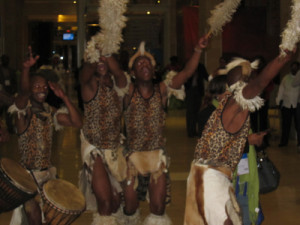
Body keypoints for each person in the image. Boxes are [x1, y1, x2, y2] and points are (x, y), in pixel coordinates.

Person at [184, 48, 295, 225]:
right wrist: (282, 59)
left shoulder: (232, 104)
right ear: (244, 84)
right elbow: (261, 82)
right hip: (210, 178)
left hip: (211, 176)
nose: (255, 81)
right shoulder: (233, 103)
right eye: (250, 78)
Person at [122, 35, 209, 225]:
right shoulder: (128, 91)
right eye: (139, 64)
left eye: (148, 63)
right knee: (129, 208)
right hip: (132, 158)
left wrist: (198, 50)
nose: (144, 65)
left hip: (156, 157)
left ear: (154, 71)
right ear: (133, 72)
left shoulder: (162, 89)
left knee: (158, 208)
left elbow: (186, 73)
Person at [8, 46, 83, 225]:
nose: (41, 89)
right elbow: (24, 93)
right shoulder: (22, 114)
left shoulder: (51, 112)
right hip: (28, 179)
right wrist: (26, 68)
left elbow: (77, 122)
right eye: (36, 86)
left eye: (44, 87)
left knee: (48, 219)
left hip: (47, 177)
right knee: (34, 217)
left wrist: (64, 97)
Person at [198, 75, 265, 225]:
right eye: (233, 91)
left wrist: (255, 140)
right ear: (219, 94)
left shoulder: (238, 111)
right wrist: (248, 141)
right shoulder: (208, 114)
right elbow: (214, 148)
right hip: (222, 177)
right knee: (228, 212)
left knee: (244, 207)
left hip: (243, 172)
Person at [78, 52, 129, 225]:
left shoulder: (119, 86)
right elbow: (84, 74)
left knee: (115, 203)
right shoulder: (90, 85)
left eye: (105, 58)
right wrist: (95, 56)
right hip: (93, 147)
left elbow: (119, 73)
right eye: (96, 58)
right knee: (105, 203)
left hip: (114, 148)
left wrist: (106, 52)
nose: (100, 60)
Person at [276, 61, 300, 148]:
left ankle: (299, 143)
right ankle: (284, 141)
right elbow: (281, 90)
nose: (294, 69)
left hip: (296, 104)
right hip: (286, 104)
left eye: (296, 67)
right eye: (292, 67)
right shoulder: (286, 78)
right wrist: (278, 101)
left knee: (298, 125)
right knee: (286, 125)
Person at [185, 63, 208, 137]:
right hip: (189, 90)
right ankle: (190, 131)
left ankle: (195, 130)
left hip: (198, 90)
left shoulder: (201, 66)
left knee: (197, 111)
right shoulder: (188, 65)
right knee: (190, 111)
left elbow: (206, 76)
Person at [0, 54, 17, 133]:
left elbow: (14, 82)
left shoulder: (12, 71)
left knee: (9, 112)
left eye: (7, 60)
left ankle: (10, 128)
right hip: (1, 93)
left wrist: (15, 91)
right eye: (4, 59)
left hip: (9, 93)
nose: (5, 61)